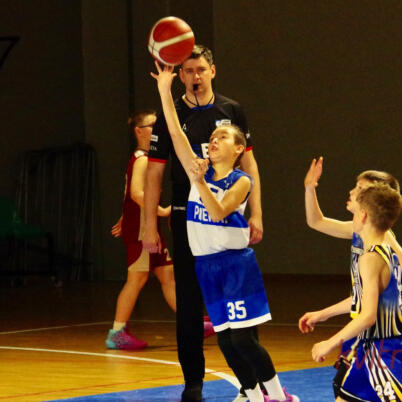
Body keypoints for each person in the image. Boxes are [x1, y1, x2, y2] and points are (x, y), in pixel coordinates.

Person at [150, 60, 298, 402]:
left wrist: (198, 181)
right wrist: (164, 91)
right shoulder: (197, 171)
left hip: (234, 266)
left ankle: (278, 396)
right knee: (226, 340)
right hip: (206, 266)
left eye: (222, 138)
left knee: (243, 339)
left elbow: (217, 212)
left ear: (238, 149)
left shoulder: (239, 180)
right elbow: (175, 132)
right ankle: (252, 394)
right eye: (213, 137)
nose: (213, 141)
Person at [142, 45, 263, 401]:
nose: (195, 76)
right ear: (180, 75)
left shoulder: (231, 111)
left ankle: (253, 382)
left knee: (236, 304)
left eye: (201, 69)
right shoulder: (171, 116)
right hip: (188, 216)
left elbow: (250, 165)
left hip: (227, 215)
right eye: (189, 70)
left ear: (213, 71)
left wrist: (257, 212)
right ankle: (193, 383)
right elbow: (154, 173)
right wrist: (149, 224)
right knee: (190, 303)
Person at [299, 158, 402, 399]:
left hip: (378, 339)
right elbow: (316, 221)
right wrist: (310, 187)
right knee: (342, 389)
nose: (353, 192)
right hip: (365, 336)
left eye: (361, 189)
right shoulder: (360, 232)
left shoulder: (380, 244)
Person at [301, 177, 402, 401]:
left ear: (363, 215)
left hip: (380, 351)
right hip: (369, 347)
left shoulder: (371, 257)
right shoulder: (381, 251)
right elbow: (362, 299)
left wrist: (329, 343)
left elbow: (368, 316)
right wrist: (322, 314)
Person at [106, 110, 177, 350]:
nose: (158, 129)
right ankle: (117, 332)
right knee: (137, 279)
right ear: (139, 131)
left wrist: (125, 215)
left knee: (167, 275)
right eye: (153, 125)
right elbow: (136, 193)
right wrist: (162, 211)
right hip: (142, 229)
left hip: (148, 225)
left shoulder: (145, 157)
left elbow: (130, 194)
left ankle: (193, 322)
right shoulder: (142, 159)